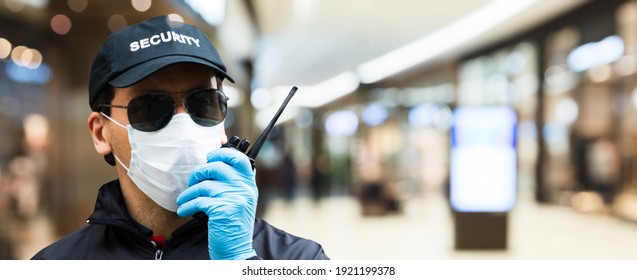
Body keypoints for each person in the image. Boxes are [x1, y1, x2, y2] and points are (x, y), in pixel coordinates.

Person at [31, 15, 329, 260]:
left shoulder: (298, 259)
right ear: (100, 132)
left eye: (205, 103)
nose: (184, 125)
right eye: (150, 107)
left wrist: (241, 266)